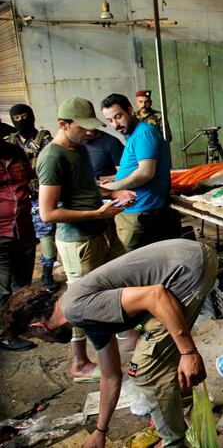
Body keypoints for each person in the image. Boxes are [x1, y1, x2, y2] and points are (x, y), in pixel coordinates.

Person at [4, 239, 217, 448]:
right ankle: (186, 415)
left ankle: (173, 441)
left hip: (188, 269)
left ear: (40, 326)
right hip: (186, 260)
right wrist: (100, 431)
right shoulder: (81, 317)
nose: (44, 342)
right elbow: (110, 375)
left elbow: (155, 295)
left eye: (36, 337)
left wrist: (189, 353)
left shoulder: (76, 308)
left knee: (147, 372)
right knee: (156, 360)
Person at [36, 97, 136, 382]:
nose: (91, 133)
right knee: (79, 302)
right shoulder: (52, 157)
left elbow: (85, 187)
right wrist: (96, 213)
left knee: (117, 283)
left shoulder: (78, 149)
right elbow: (48, 212)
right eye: (85, 128)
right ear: (63, 125)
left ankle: (124, 333)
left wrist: (113, 193)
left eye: (93, 128)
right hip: (78, 240)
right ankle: (79, 362)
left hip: (101, 230)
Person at [100, 94, 174, 252]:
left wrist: (113, 187)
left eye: (118, 117)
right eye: (110, 120)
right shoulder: (133, 135)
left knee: (128, 264)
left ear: (130, 111)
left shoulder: (144, 134)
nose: (115, 124)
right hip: (131, 209)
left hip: (138, 211)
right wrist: (114, 180)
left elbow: (145, 173)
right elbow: (135, 168)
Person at [7, 104, 59, 293]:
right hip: (14, 199)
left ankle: (46, 273)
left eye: (25, 116)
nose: (21, 121)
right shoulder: (9, 141)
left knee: (45, 235)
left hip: (39, 196)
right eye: (17, 118)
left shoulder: (44, 140)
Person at [0, 140, 37, 351]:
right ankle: (5, 335)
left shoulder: (16, 152)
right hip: (0, 232)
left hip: (24, 226)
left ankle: (20, 324)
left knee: (22, 284)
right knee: (2, 289)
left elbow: (31, 180)